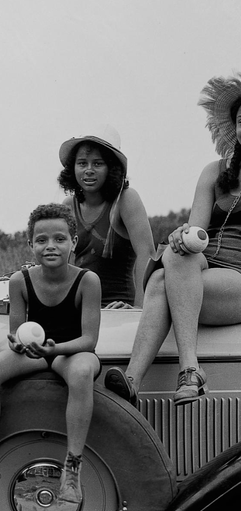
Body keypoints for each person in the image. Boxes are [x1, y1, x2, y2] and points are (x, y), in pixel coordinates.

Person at [105, 74, 241, 407]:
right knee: (174, 259)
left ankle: (143, 378)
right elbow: (199, 232)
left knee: (163, 282)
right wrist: (182, 236)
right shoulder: (214, 172)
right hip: (202, 269)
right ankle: (181, 372)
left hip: (238, 278)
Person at [0, 204, 101, 504]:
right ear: (30, 245)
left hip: (72, 351)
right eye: (41, 240)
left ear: (73, 243)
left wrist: (55, 348)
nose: (50, 246)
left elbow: (89, 341)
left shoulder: (87, 281)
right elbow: (17, 333)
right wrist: (16, 344)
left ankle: (72, 468)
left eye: (59, 239)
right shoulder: (20, 281)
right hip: (37, 352)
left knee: (80, 372)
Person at [57, 125, 154, 307]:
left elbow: (147, 254)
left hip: (118, 309)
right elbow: (64, 263)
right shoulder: (68, 206)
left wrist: (139, 310)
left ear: (111, 167)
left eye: (98, 163)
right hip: (81, 309)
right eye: (82, 163)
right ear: (73, 168)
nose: (89, 170)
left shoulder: (125, 200)